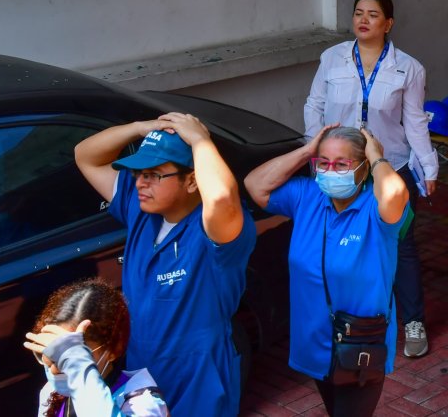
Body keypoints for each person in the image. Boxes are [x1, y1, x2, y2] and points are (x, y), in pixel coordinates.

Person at [74, 113, 255, 417]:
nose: (141, 183)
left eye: (154, 174)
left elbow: (223, 197)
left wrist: (200, 140)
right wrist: (141, 128)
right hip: (142, 371)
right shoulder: (141, 208)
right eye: (138, 173)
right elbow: (85, 156)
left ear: (193, 181)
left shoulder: (216, 230)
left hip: (197, 375)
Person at [304, 0, 439, 358]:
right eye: (358, 12)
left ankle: (413, 322)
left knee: (402, 246)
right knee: (339, 243)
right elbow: (314, 104)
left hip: (389, 166)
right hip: (341, 169)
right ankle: (345, 320)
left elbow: (413, 122)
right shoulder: (331, 58)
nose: (363, 20)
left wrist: (428, 165)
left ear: (388, 23)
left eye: (373, 15)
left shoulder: (408, 68)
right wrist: (314, 150)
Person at [245, 126, 409, 416]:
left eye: (342, 164)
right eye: (324, 163)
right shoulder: (308, 197)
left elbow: (396, 191)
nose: (331, 171)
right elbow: (255, 184)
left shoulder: (377, 207)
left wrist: (376, 155)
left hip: (360, 345)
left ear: (362, 168)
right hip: (315, 342)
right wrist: (307, 151)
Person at [24, 278, 168, 417]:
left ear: (113, 350)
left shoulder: (144, 402)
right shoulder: (50, 392)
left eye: (78, 353)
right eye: (52, 354)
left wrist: (76, 363)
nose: (55, 370)